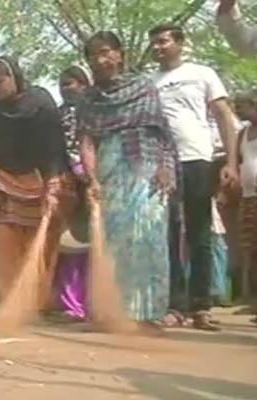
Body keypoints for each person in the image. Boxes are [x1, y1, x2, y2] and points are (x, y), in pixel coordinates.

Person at [77, 31, 176, 328]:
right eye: (93, 55)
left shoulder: (144, 87)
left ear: (120, 54)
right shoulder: (89, 100)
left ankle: (149, 315)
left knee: (148, 240)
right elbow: (86, 142)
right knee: (113, 243)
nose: (100, 59)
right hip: (110, 175)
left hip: (147, 170)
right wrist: (92, 179)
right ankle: (113, 313)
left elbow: (161, 133)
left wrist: (164, 167)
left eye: (106, 52)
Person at [149, 24, 239, 330]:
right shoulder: (150, 82)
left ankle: (202, 306)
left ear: (179, 43)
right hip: (163, 167)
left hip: (198, 160)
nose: (158, 47)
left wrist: (231, 162)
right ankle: (176, 306)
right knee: (169, 235)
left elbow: (224, 116)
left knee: (200, 233)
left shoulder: (203, 73)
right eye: (154, 43)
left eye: (163, 41)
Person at [0, 55, 75, 309]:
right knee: (6, 242)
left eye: (0, 81)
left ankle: (37, 301)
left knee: (42, 243)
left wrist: (52, 180)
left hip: (43, 180)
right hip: (6, 183)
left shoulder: (40, 102)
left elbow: (53, 144)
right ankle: (10, 300)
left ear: (15, 77)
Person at [53, 66, 92, 321]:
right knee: (66, 245)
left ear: (83, 84)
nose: (66, 89)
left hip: (92, 181)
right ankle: (70, 302)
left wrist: (88, 170)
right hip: (66, 181)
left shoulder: (94, 110)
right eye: (62, 85)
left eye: (71, 83)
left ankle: (90, 301)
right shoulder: (57, 115)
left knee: (91, 243)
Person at [233, 91, 257, 324]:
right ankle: (253, 301)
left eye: (241, 106)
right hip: (249, 197)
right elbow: (238, 163)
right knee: (251, 249)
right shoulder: (242, 134)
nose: (237, 111)